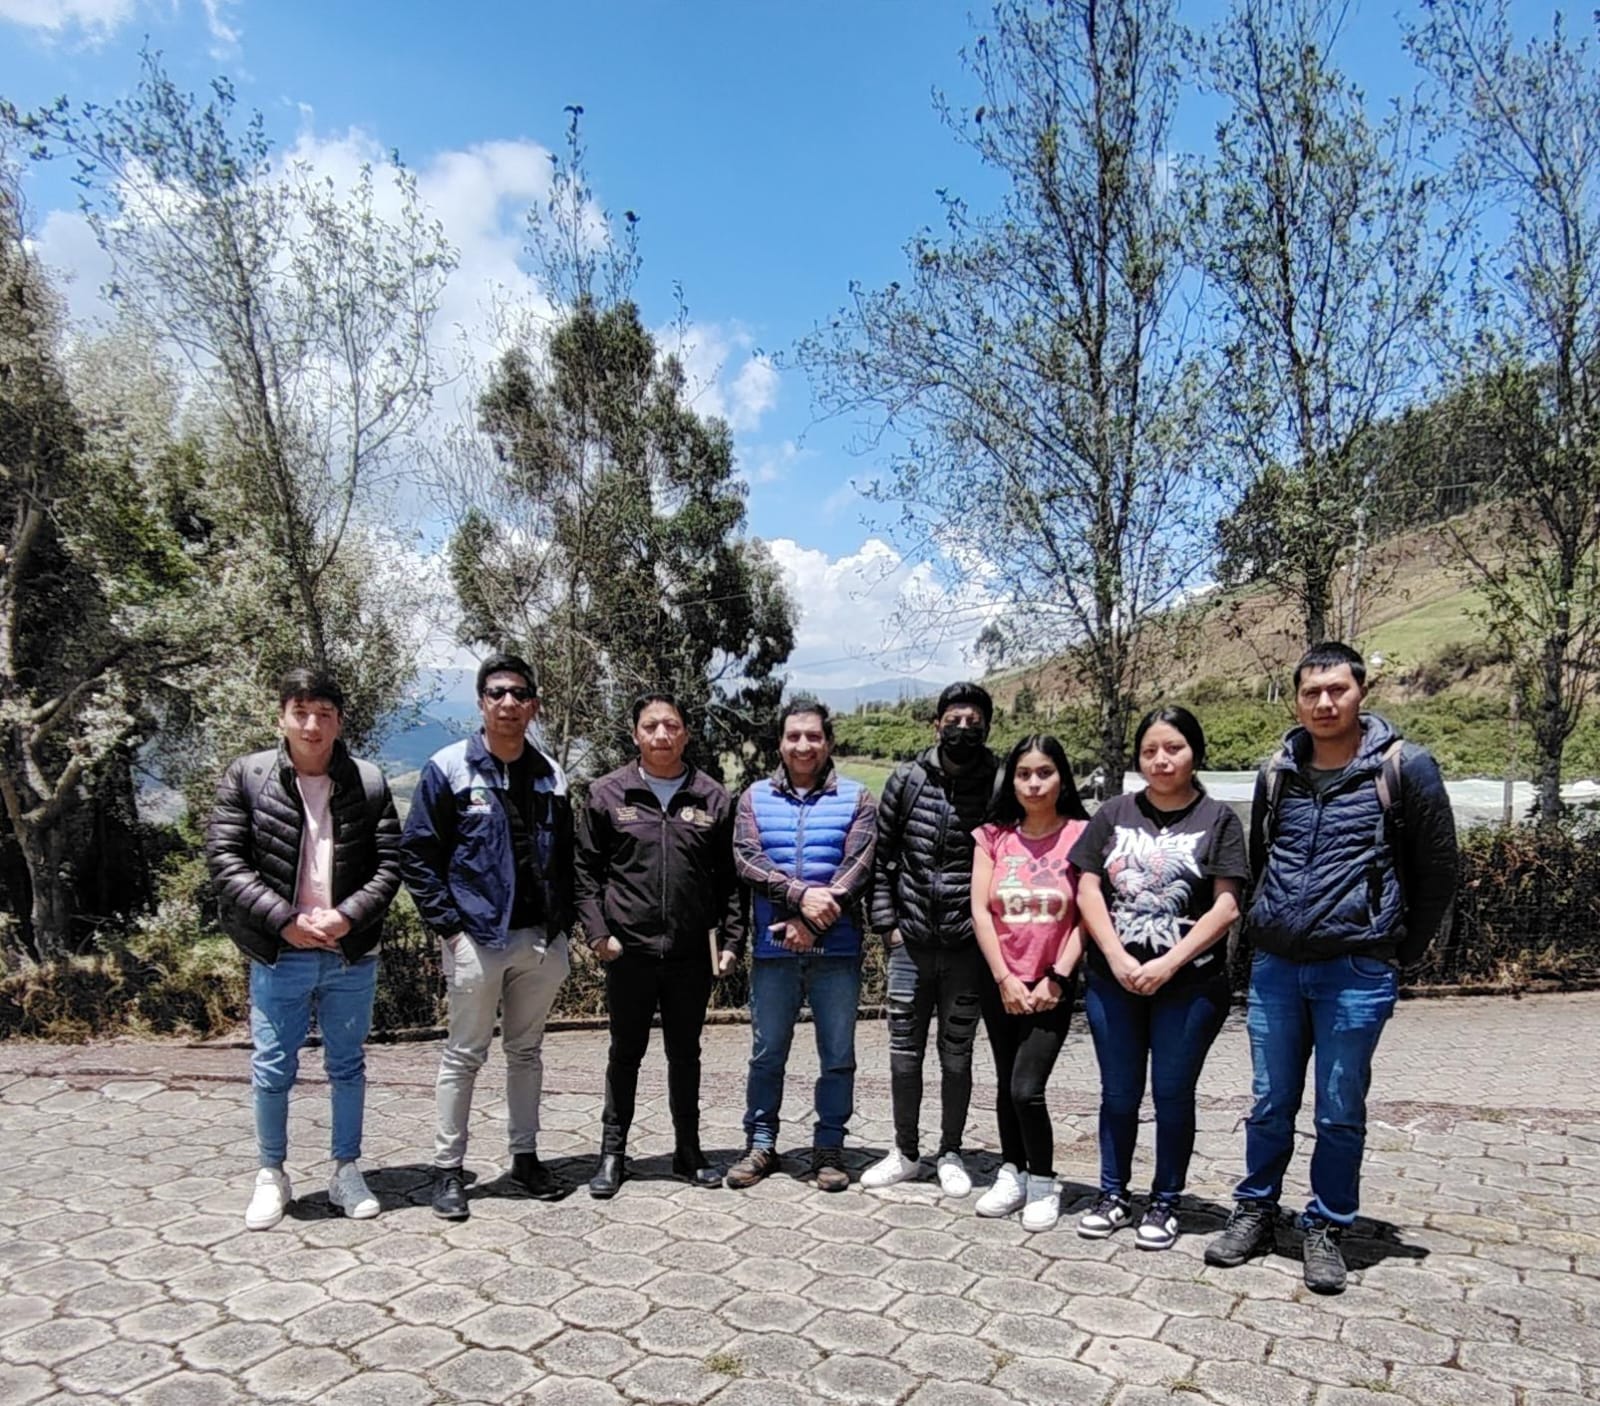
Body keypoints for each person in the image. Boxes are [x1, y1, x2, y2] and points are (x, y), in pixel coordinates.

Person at [1206, 642, 1458, 1294]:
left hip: (1356, 970)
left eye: (1337, 690)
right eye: (1311, 692)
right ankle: (1256, 1209)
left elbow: (1438, 872)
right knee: (1269, 1102)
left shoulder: (1405, 768)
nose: (1324, 702)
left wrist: (1394, 950)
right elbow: (1262, 858)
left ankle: (1326, 1225)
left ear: (1361, 693)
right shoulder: (1277, 772)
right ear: (1296, 699)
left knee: (1339, 1109)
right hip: (1277, 967)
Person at [206, 667, 401, 1230]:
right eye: (301, 713)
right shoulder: (248, 777)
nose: (312, 725)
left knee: (348, 1065)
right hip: (279, 951)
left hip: (349, 952)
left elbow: (390, 864)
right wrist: (284, 921)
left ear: (339, 722)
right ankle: (272, 1173)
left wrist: (347, 916)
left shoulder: (367, 781)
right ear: (282, 718)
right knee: (272, 1066)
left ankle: (345, 1170)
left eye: (324, 714)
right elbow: (226, 861)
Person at [400, 654, 575, 1220]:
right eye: (496, 692)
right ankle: (448, 1171)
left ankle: (525, 1159)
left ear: (534, 706)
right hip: (476, 938)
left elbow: (567, 857)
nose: (508, 703)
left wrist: (562, 928)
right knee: (464, 1055)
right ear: (480, 702)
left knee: (526, 1052)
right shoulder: (449, 767)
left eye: (519, 694)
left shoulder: (551, 774)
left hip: (539, 941)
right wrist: (450, 930)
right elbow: (417, 855)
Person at [1069, 707, 1247, 1250]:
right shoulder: (1113, 813)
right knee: (1118, 1093)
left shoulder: (1219, 819)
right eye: (1150, 751)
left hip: (1189, 986)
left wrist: (1168, 964)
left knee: (1172, 1094)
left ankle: (1166, 1201)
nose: (1161, 760)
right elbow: (1087, 889)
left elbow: (1227, 906)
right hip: (1113, 982)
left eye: (1173, 748)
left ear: (1195, 753)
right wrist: (1117, 958)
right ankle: (1112, 1194)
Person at [576, 692, 744, 1198]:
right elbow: (584, 874)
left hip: (690, 954)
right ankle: (612, 1154)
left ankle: (688, 1151)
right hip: (627, 953)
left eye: (671, 725)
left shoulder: (712, 798)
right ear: (635, 735)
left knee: (685, 1055)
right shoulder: (607, 794)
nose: (662, 734)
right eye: (651, 726)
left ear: (686, 734)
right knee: (625, 1053)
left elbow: (729, 881)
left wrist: (732, 940)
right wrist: (598, 934)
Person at [726, 699, 877, 1193]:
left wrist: (812, 922)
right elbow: (747, 860)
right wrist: (799, 898)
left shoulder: (857, 798)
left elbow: (858, 868)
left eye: (813, 736)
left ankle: (829, 1148)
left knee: (837, 1055)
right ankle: (761, 1142)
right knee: (767, 1053)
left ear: (828, 742)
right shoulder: (753, 798)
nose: (803, 745)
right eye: (794, 736)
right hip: (774, 951)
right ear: (780, 743)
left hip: (837, 952)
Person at [863, 682, 999, 1196]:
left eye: (973, 722)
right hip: (910, 944)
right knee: (904, 1053)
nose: (963, 729)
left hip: (968, 947)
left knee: (957, 1054)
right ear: (936, 723)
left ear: (987, 727)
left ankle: (951, 1151)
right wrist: (888, 927)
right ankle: (904, 1151)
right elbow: (882, 857)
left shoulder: (998, 782)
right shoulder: (907, 779)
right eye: (954, 720)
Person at [970, 735, 1089, 1230]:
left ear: (1062, 777)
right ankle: (1012, 1171)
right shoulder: (992, 836)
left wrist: (1058, 977)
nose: (1034, 783)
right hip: (1001, 981)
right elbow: (981, 910)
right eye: (1023, 774)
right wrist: (1003, 978)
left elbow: (1088, 915)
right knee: (1005, 1083)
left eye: (1044, 773)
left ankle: (1043, 1182)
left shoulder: (1084, 834)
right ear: (1011, 780)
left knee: (1027, 1089)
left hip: (1051, 984)